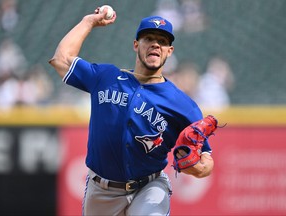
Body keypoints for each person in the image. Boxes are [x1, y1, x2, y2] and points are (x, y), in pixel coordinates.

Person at [49, 6, 214, 216]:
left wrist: (197, 168)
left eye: (162, 41)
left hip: (149, 187)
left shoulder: (182, 105)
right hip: (101, 191)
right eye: (149, 38)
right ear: (136, 45)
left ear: (169, 51)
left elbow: (206, 160)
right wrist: (88, 22)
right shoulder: (106, 77)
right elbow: (61, 59)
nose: (155, 44)